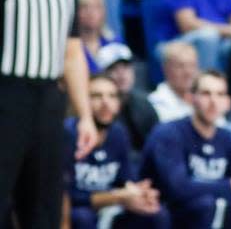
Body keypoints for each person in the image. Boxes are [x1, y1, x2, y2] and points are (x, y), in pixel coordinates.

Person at [0, 0, 97, 228]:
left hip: (48, 103)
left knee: (44, 204)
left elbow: (72, 53)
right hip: (6, 96)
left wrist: (85, 114)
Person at [140, 71, 231, 229]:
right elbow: (178, 188)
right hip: (168, 213)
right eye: (206, 94)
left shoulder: (226, 137)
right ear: (190, 98)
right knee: (203, 206)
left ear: (228, 102)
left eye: (220, 94)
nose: (213, 102)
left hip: (207, 209)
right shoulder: (168, 134)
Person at [65, 74, 170, 229]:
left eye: (112, 96)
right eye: (96, 96)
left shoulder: (118, 133)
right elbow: (65, 195)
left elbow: (126, 179)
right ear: (81, 102)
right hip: (79, 209)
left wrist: (140, 192)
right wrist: (117, 197)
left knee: (156, 213)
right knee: (82, 217)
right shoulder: (66, 133)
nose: (105, 103)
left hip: (111, 205)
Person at [96, 43, 160, 152]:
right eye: (113, 69)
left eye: (126, 67)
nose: (122, 74)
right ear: (102, 74)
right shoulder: (97, 107)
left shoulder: (143, 103)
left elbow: (157, 143)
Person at [148, 41, 199, 123]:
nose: (188, 72)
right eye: (181, 66)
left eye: (192, 65)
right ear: (165, 69)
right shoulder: (154, 104)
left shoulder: (204, 99)